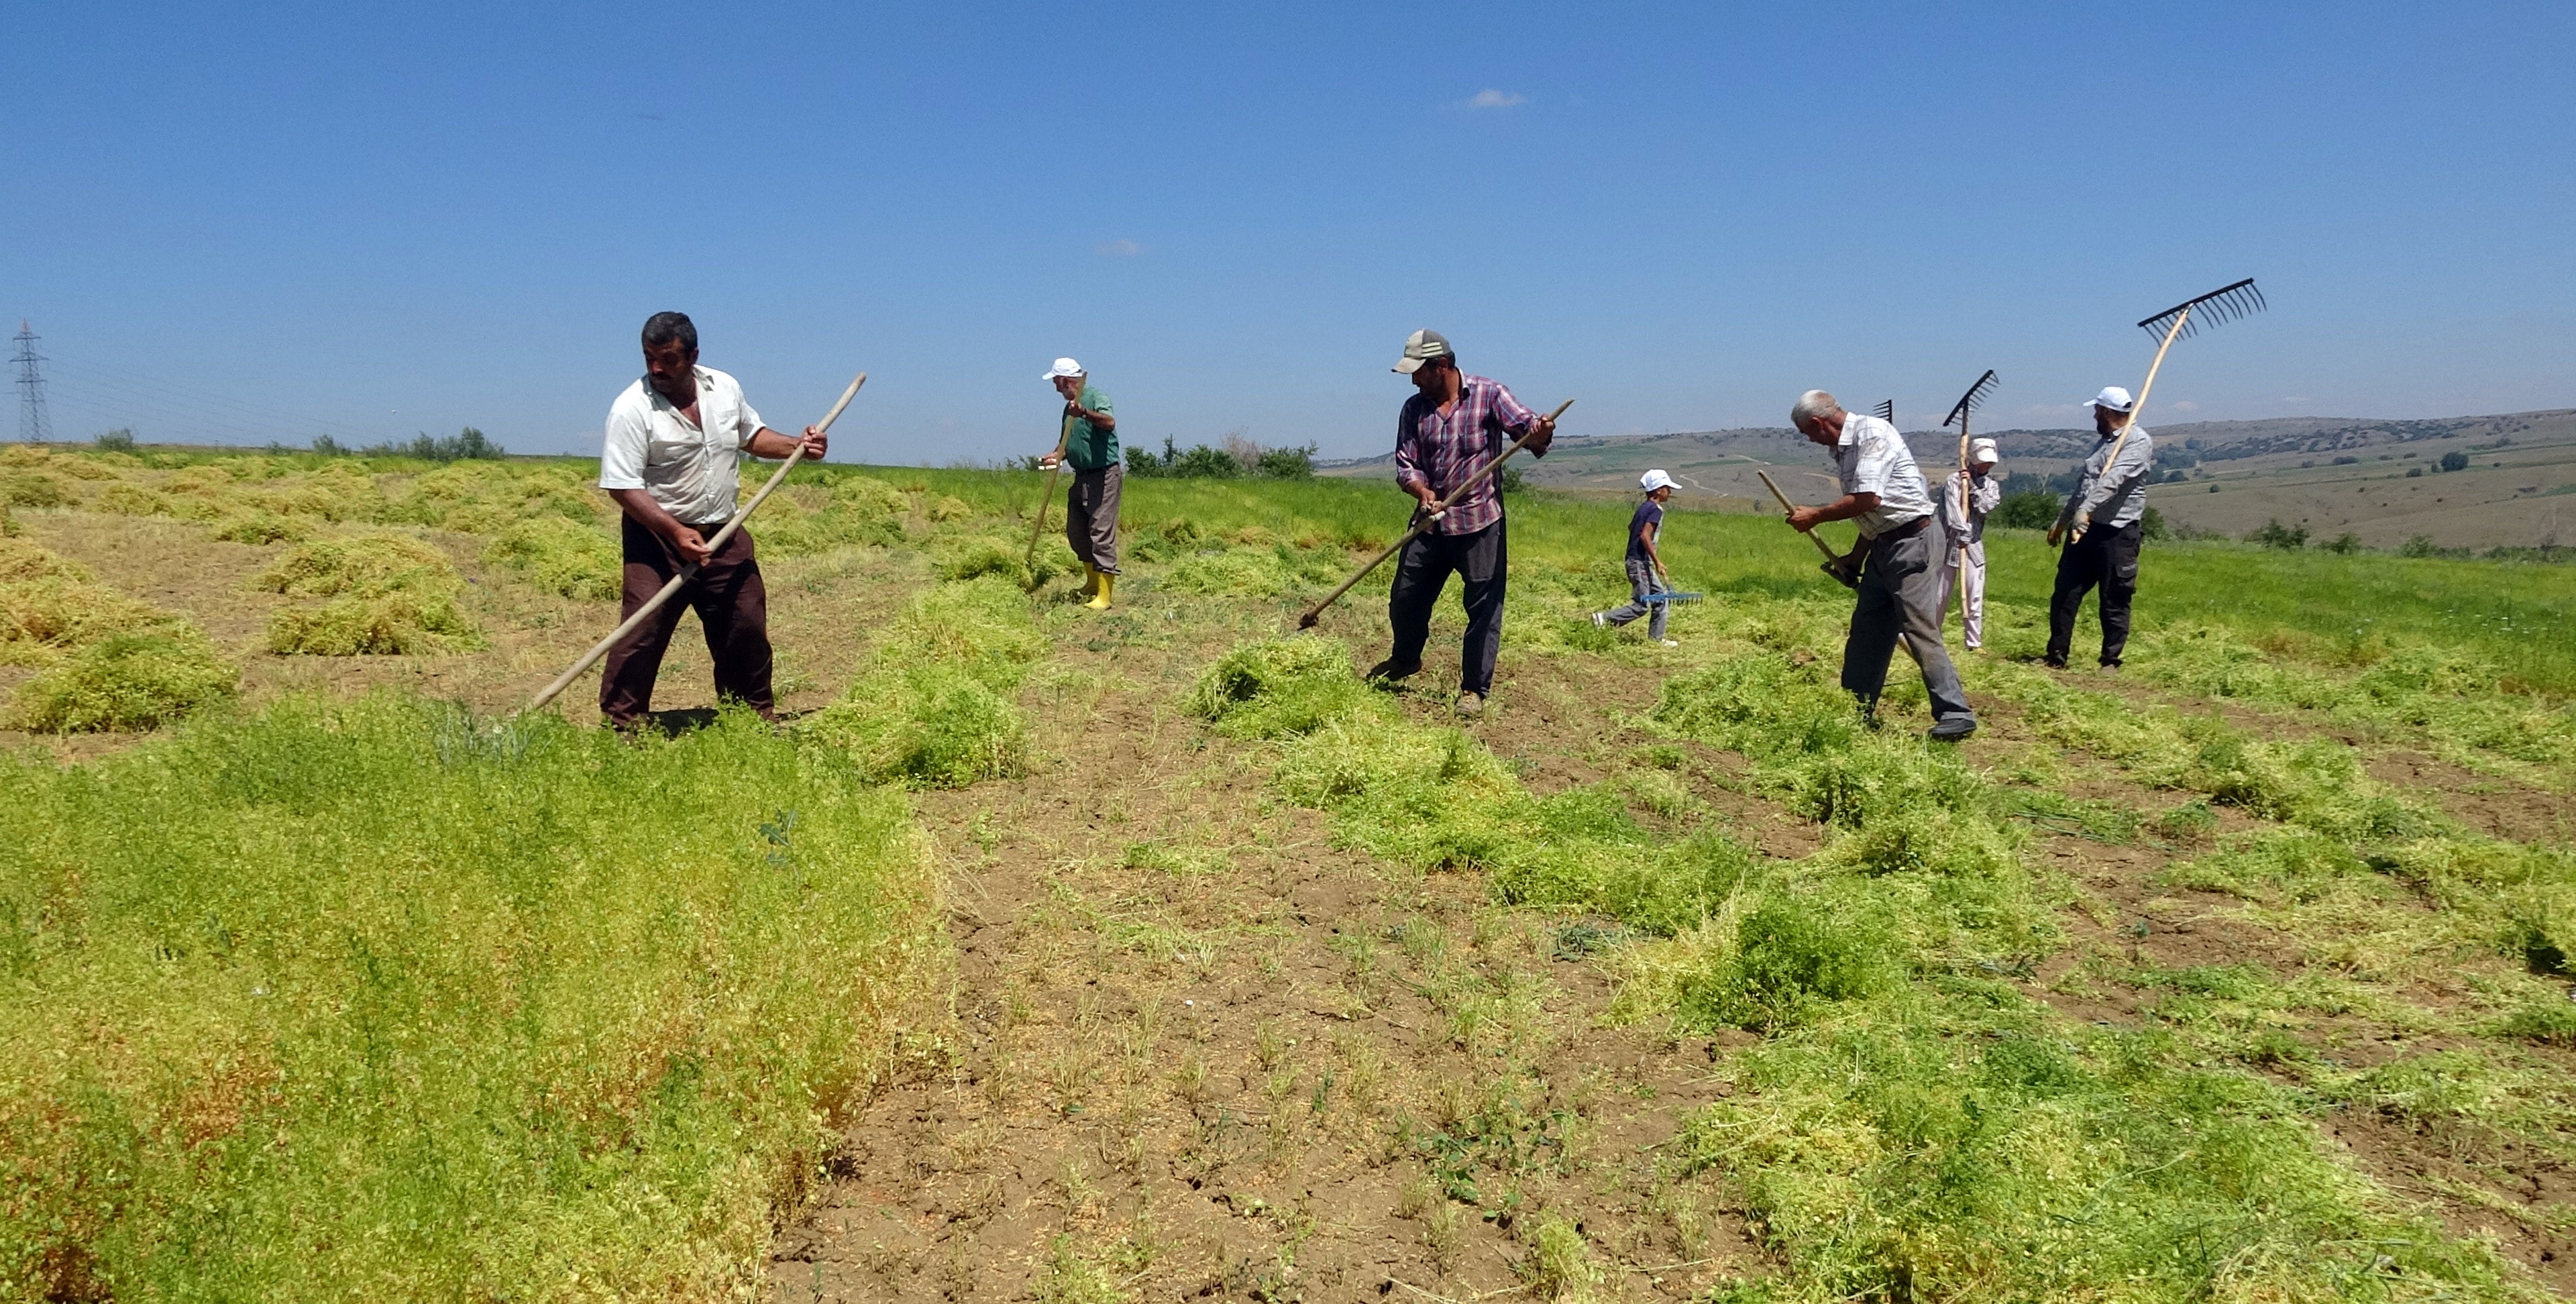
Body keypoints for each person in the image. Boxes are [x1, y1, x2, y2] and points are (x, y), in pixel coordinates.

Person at [595, 311, 826, 730]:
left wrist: (798, 445)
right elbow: (622, 487)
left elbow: (751, 436)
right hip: (658, 538)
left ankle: (751, 717)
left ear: (693, 355)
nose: (657, 369)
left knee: (746, 622)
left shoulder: (724, 388)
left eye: (667, 358)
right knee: (643, 628)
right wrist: (675, 532)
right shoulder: (632, 408)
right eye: (649, 358)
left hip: (724, 532)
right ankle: (624, 722)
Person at [1367, 329, 1558, 718]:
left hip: (1480, 522)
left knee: (1483, 608)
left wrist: (1542, 432)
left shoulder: (1490, 395)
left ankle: (1473, 689)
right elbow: (1407, 465)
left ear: (1442, 366)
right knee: (1405, 597)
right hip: (1430, 522)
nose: (1414, 380)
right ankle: (1405, 659)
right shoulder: (1413, 409)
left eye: (1419, 371)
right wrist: (1422, 492)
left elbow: (1531, 439)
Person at [1784, 390, 1977, 741]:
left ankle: (1955, 712)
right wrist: (1855, 560)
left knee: (1917, 628)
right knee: (1868, 633)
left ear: (1818, 423)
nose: (1809, 440)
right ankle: (1855, 711)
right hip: (1884, 544)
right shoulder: (1842, 449)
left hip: (1913, 542)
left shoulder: (1872, 434)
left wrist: (1815, 516)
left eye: (1807, 433)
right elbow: (1875, 514)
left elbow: (1867, 499)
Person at [2045, 386, 2153, 670]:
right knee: (2065, 593)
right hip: (2084, 532)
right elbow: (2084, 487)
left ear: (2106, 411)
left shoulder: (2137, 442)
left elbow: (2113, 481)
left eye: (2096, 410)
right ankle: (2056, 656)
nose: (2093, 415)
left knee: (2114, 598)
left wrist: (2087, 510)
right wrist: (2064, 519)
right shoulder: (2104, 444)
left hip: (2117, 533)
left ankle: (2110, 661)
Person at [1036, 357, 1120, 610]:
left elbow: (1109, 423)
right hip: (1081, 475)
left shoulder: (1095, 397)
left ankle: (1105, 596)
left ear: (1064, 380)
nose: (1055, 387)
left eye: (1056, 382)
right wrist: (1056, 455)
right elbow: (1067, 440)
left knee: (1100, 532)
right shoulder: (1067, 409)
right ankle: (1092, 583)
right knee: (1077, 530)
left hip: (1103, 475)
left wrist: (1083, 412)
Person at [1591, 469, 1680, 645]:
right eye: (1667, 488)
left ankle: (1656, 639)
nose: (1670, 492)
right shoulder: (1655, 510)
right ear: (1658, 490)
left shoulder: (1643, 508)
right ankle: (1603, 619)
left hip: (1640, 560)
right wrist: (1658, 561)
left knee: (1661, 599)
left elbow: (1631, 527)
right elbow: (1644, 536)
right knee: (1641, 606)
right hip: (1639, 563)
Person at [1933, 437, 2003, 651]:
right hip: (1947, 545)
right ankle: (1929, 638)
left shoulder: (1992, 486)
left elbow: (1984, 507)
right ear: (1971, 459)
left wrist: (1972, 487)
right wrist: (1962, 531)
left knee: (1974, 596)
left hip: (1973, 547)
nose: (1986, 466)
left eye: (1989, 463)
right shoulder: (1954, 481)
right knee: (1939, 597)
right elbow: (1953, 514)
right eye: (1983, 462)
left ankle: (1973, 643)